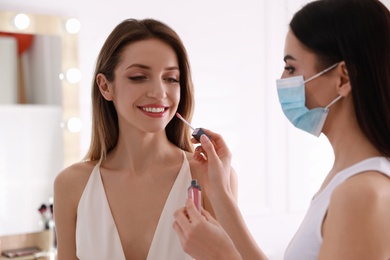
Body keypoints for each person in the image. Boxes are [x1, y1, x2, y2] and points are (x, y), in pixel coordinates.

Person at [173, 0, 390, 259]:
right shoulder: (347, 177)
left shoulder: (360, 194)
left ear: (343, 78)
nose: (283, 80)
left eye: (291, 67)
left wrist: (221, 255)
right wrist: (219, 192)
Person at [53, 18, 238, 260]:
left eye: (171, 78)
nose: (159, 92)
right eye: (139, 76)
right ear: (105, 86)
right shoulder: (71, 185)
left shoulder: (208, 177)